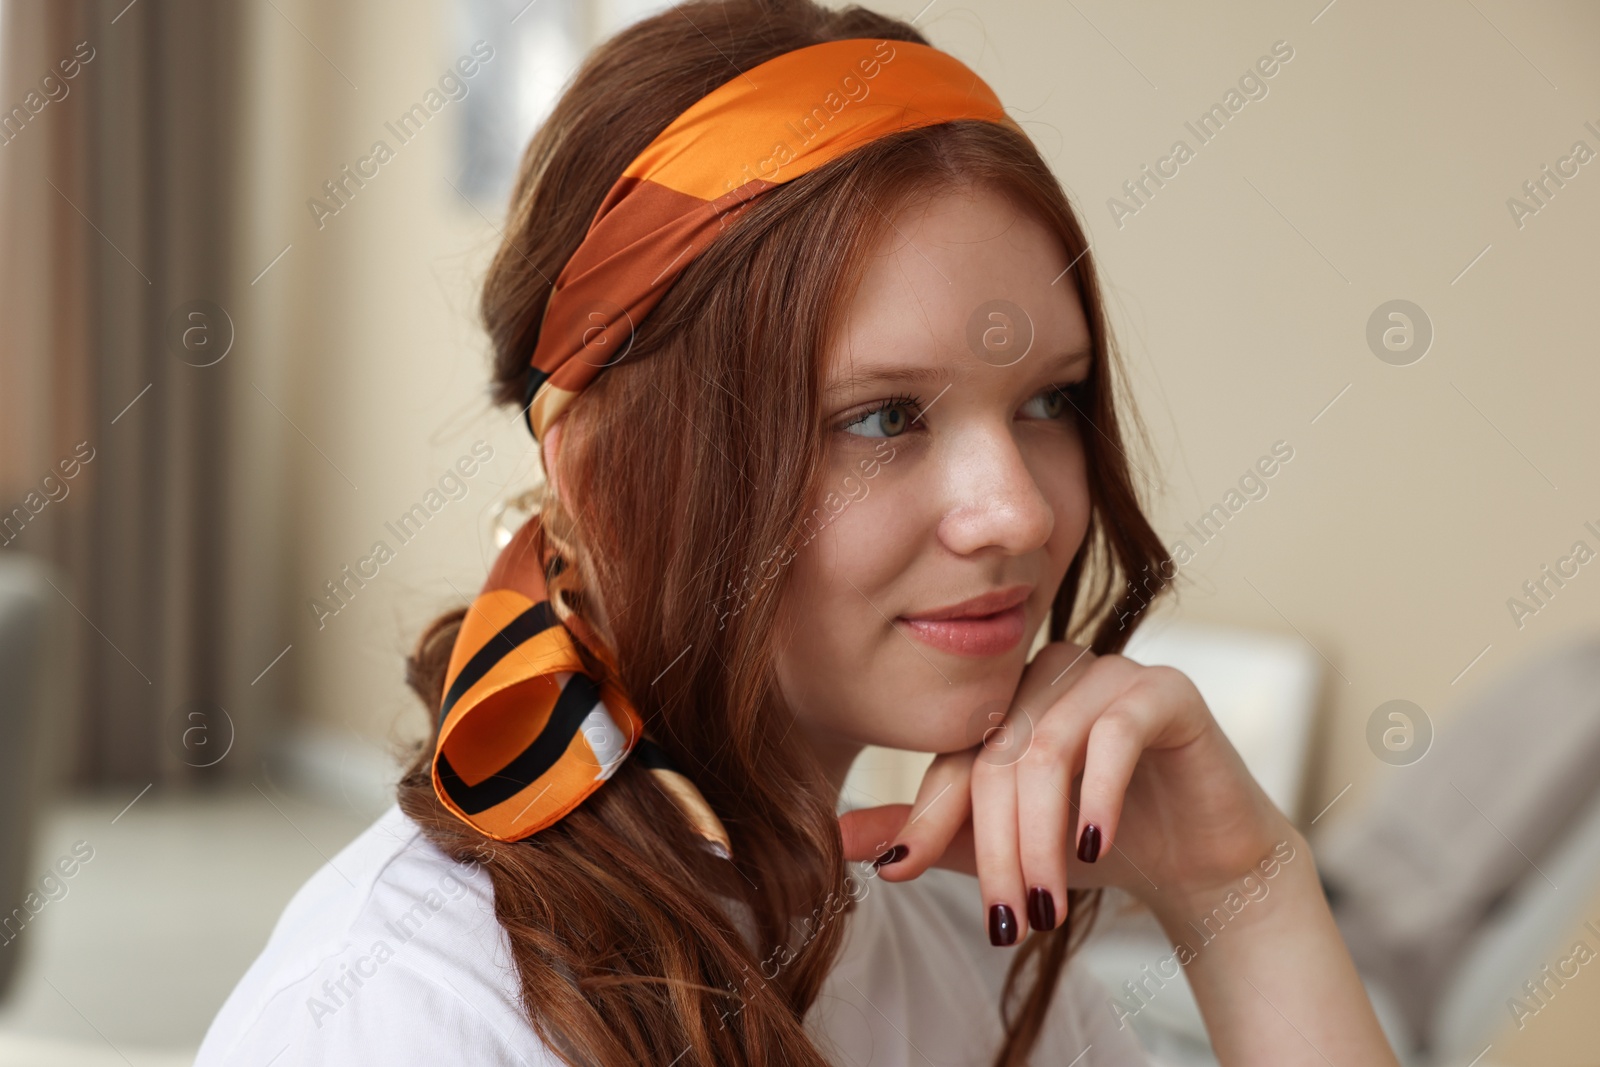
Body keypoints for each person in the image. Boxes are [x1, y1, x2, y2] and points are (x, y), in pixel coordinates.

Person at [195, 0, 1403, 1063]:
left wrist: (1241, 897)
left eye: (1049, 400)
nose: (1021, 510)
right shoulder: (398, 1014)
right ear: (596, 467)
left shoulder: (960, 957)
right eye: (882, 416)